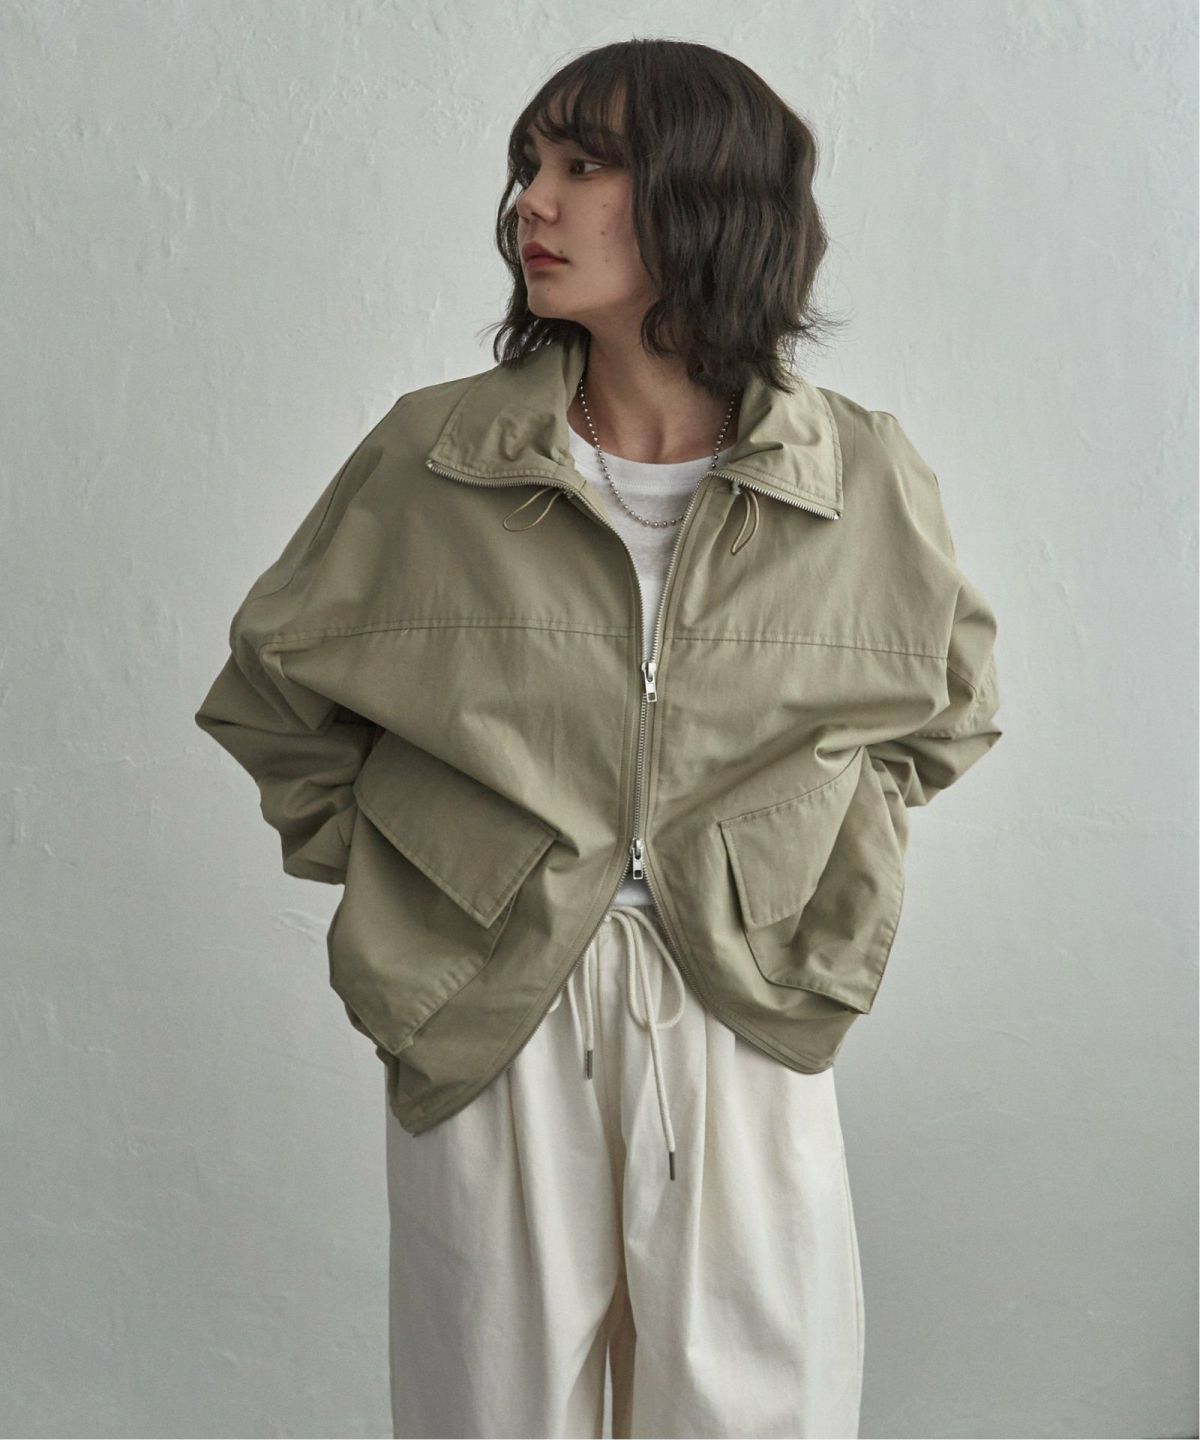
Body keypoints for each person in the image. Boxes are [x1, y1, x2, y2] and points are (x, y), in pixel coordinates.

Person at [195, 38, 1003, 1440]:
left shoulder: (856, 471)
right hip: (493, 1004)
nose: (533, 202)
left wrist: (791, 874)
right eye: (527, 165)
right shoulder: (436, 457)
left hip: (743, 1005)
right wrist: (419, 871)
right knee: (491, 1410)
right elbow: (274, 694)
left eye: (584, 165)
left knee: (759, 1410)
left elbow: (944, 714)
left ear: (707, 196)